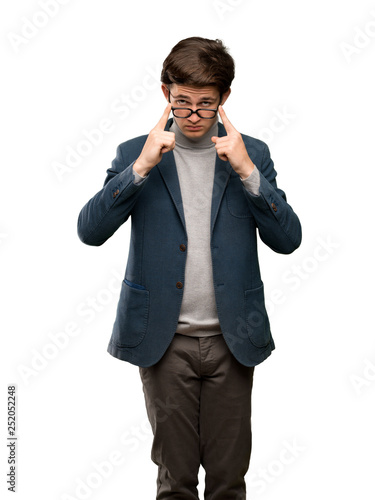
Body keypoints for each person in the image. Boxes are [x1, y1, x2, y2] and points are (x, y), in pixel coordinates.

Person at [77, 36, 302, 499]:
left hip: (233, 339)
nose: (194, 115)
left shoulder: (251, 152)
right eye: (182, 103)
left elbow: (288, 240)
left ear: (224, 99)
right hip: (164, 343)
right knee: (174, 482)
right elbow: (90, 230)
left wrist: (247, 173)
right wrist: (140, 167)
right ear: (165, 94)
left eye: (205, 104)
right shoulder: (133, 152)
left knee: (228, 482)